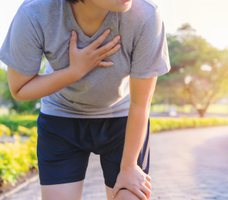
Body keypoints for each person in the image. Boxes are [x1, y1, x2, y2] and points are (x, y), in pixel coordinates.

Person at [0, 0, 171, 199]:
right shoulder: (35, 13)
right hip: (61, 119)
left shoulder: (147, 16)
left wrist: (129, 166)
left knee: (130, 193)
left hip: (123, 120)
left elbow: (141, 103)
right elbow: (19, 89)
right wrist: (75, 71)